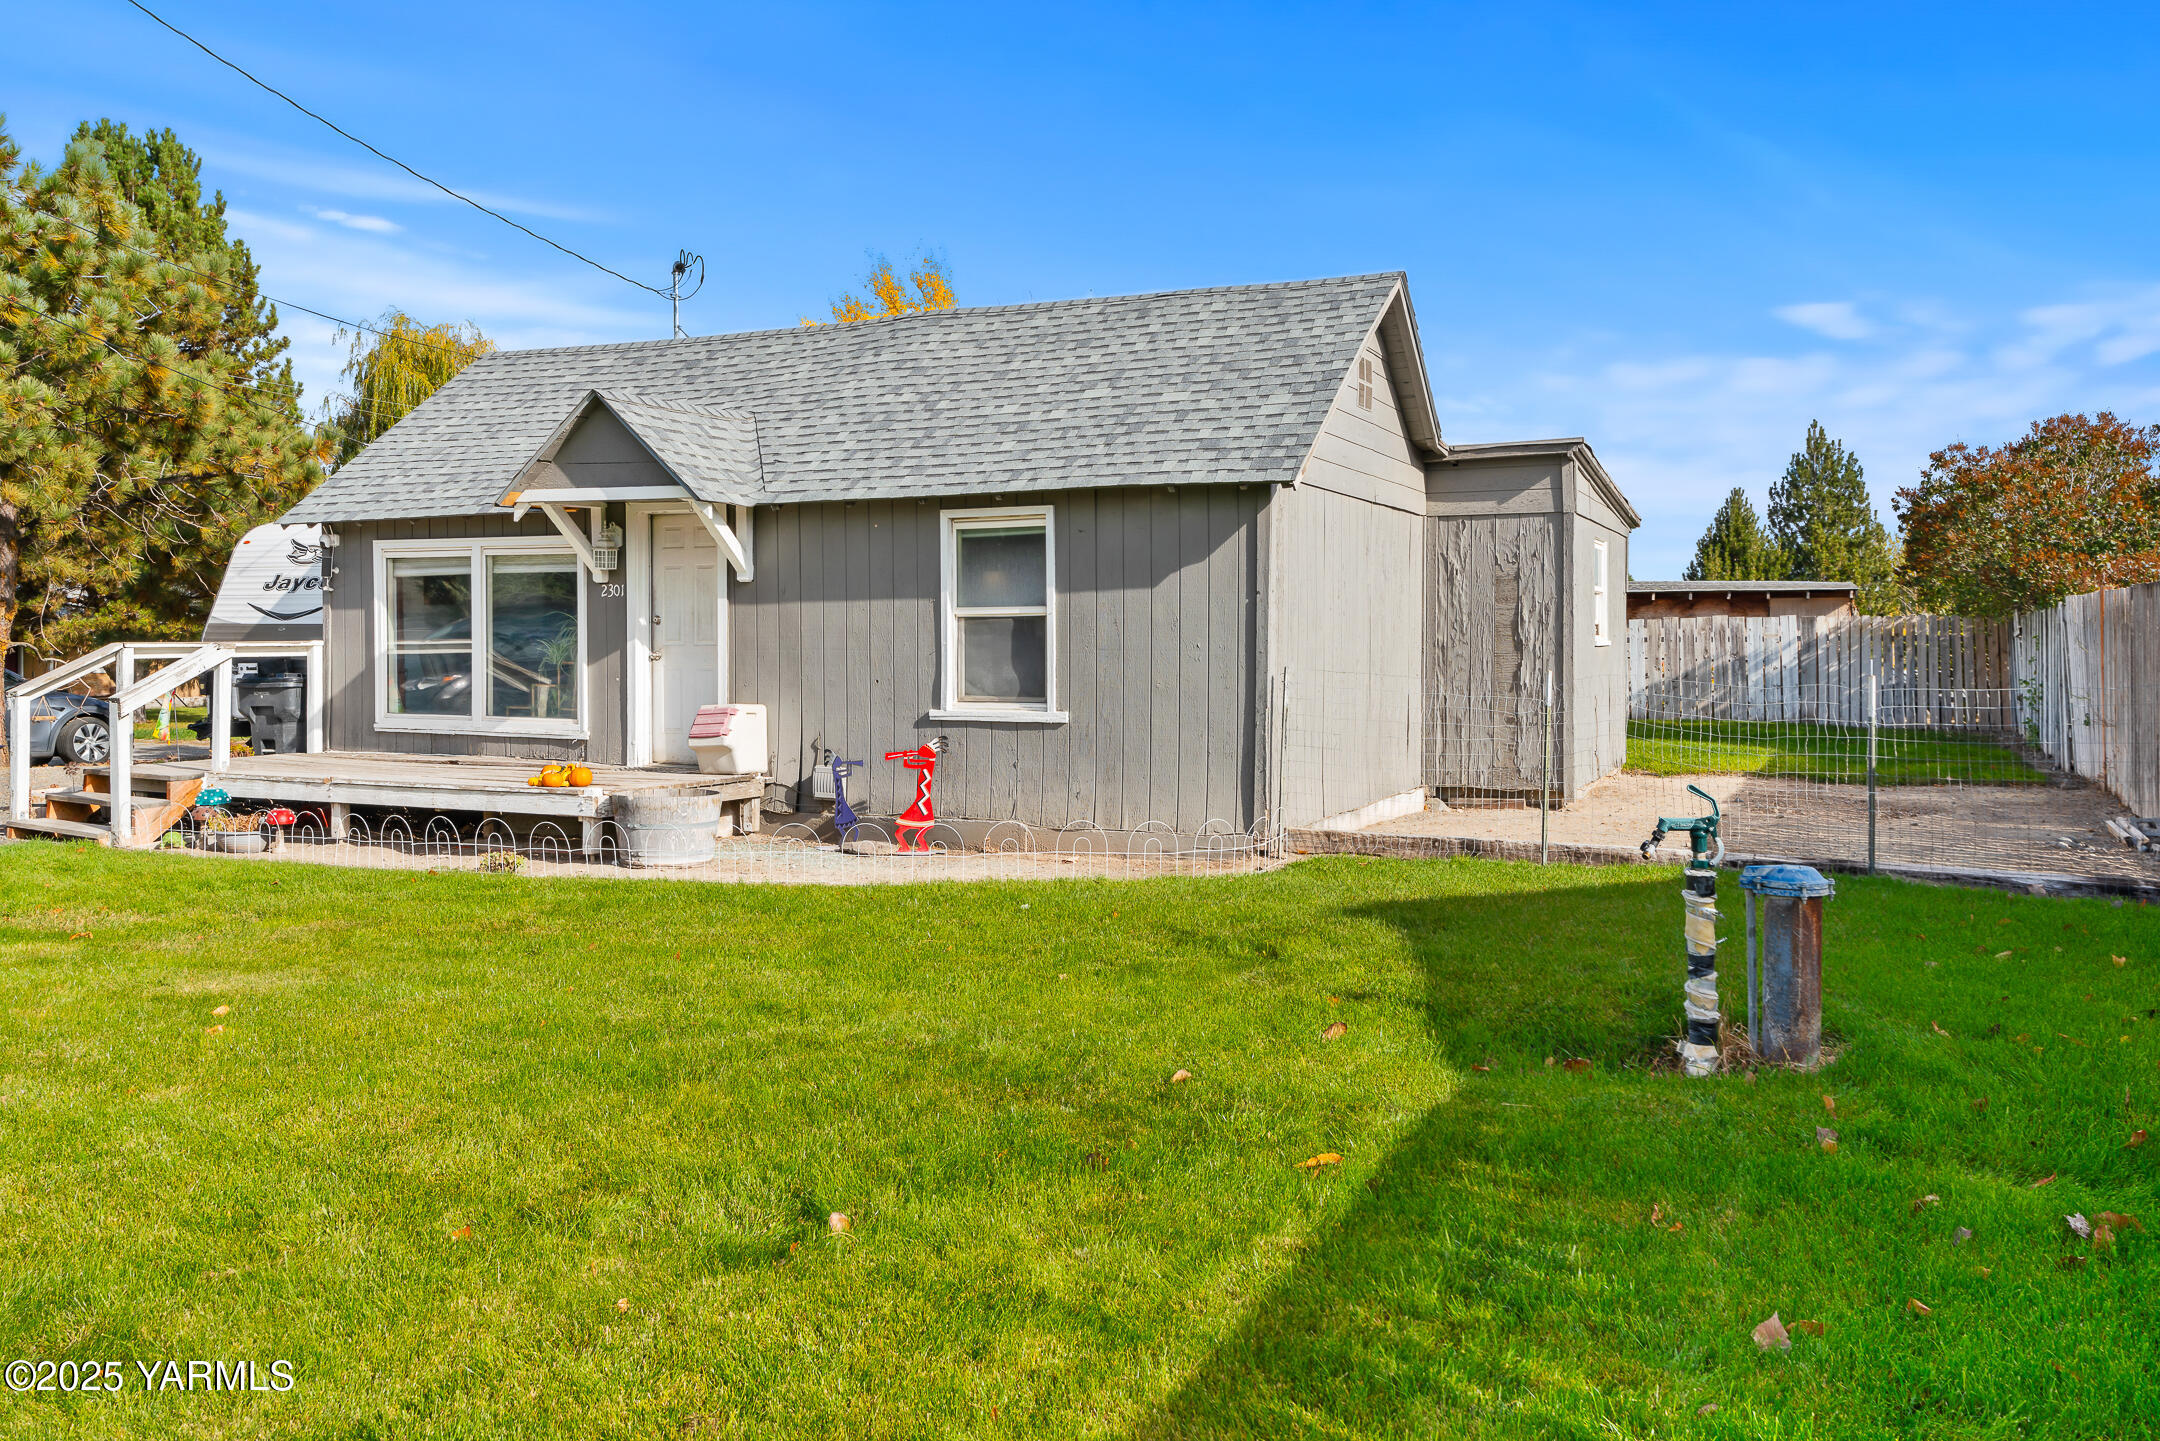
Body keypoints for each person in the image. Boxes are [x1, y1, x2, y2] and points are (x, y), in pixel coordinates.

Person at [883, 736, 950, 852]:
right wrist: (906, 757)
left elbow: (909, 764)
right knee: (902, 833)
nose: (921, 752)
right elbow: (909, 764)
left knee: (901, 833)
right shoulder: (926, 763)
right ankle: (912, 847)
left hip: (921, 802)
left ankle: (910, 847)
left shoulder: (927, 764)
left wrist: (906, 757)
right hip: (921, 800)